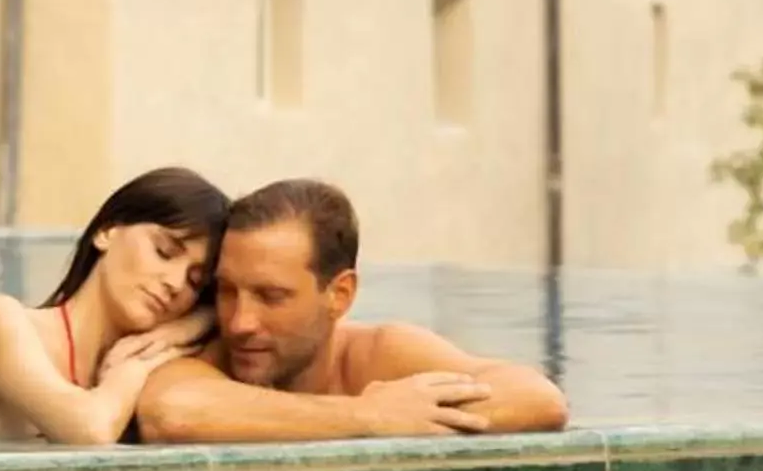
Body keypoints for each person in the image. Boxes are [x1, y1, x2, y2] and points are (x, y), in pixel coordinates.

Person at [134, 179, 570, 442]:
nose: (240, 322)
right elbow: (172, 412)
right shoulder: (201, 357)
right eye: (227, 291)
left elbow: (539, 399)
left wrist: (413, 415)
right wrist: (369, 417)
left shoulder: (378, 355)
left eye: (271, 296)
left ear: (339, 294)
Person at [0, 167, 227, 445]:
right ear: (106, 232)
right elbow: (90, 431)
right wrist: (138, 365)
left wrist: (190, 326)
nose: (175, 283)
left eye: (195, 282)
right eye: (164, 251)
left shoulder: (172, 355)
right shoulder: (1, 323)